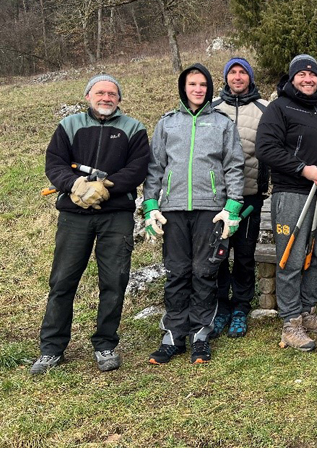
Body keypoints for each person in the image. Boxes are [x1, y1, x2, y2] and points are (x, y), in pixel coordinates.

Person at [31, 74, 150, 374]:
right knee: (62, 281)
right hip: (74, 215)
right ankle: (52, 348)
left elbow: (138, 168)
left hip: (117, 215)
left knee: (114, 280)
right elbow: (54, 162)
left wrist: (106, 186)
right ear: (88, 96)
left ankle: (105, 344)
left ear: (119, 99)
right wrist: (76, 186)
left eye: (112, 93)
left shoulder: (133, 128)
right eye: (100, 92)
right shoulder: (69, 126)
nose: (106, 97)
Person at [143, 63, 244, 365]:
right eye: (192, 85)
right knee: (177, 273)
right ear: (183, 88)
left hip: (210, 211)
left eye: (202, 84)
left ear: (209, 88)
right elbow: (155, 168)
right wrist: (150, 206)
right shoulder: (168, 123)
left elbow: (234, 167)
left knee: (204, 272)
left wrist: (232, 207)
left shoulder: (223, 124)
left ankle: (201, 334)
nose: (198, 89)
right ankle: (173, 335)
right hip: (172, 210)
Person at [256, 54, 317, 352]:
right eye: (302, 74)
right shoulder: (279, 108)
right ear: (292, 77)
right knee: (292, 257)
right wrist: (303, 169)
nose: (308, 79)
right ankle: (290, 322)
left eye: (313, 74)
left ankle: (307, 309)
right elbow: (266, 148)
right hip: (293, 193)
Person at [210, 57, 268, 339]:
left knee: (244, 255)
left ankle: (241, 308)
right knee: (218, 255)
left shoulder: (263, 109)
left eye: (242, 72)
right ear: (225, 78)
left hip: (249, 196)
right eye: (232, 72)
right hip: (214, 199)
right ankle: (220, 307)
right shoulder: (212, 109)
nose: (237, 77)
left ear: (250, 77)